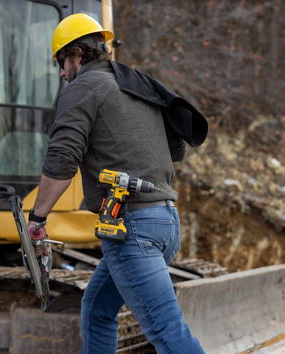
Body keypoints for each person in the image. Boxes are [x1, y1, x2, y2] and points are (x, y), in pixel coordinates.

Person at [27, 13, 206, 354]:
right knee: (97, 310)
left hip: (131, 229)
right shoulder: (136, 83)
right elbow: (176, 149)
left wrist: (37, 219)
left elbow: (63, 157)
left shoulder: (82, 88)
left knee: (167, 332)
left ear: (78, 53)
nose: (63, 74)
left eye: (61, 63)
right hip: (166, 223)